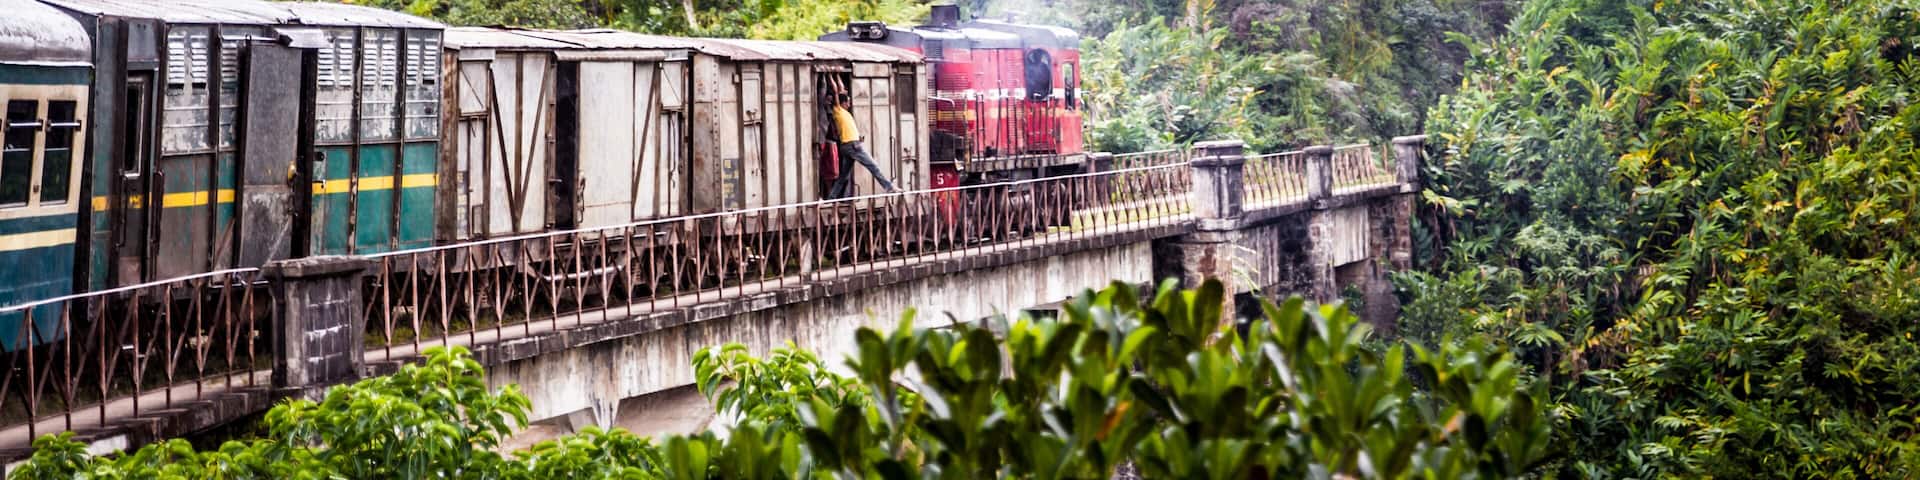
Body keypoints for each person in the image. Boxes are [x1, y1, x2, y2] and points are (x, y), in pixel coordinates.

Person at [826, 93, 899, 198]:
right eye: (848, 102)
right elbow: (837, 91)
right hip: (852, 145)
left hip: (849, 145)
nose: (849, 104)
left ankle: (831, 198)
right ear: (842, 103)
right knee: (873, 166)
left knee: (843, 176)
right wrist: (831, 77)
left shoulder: (845, 113)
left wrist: (858, 137)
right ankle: (888, 186)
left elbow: (840, 90)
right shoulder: (838, 110)